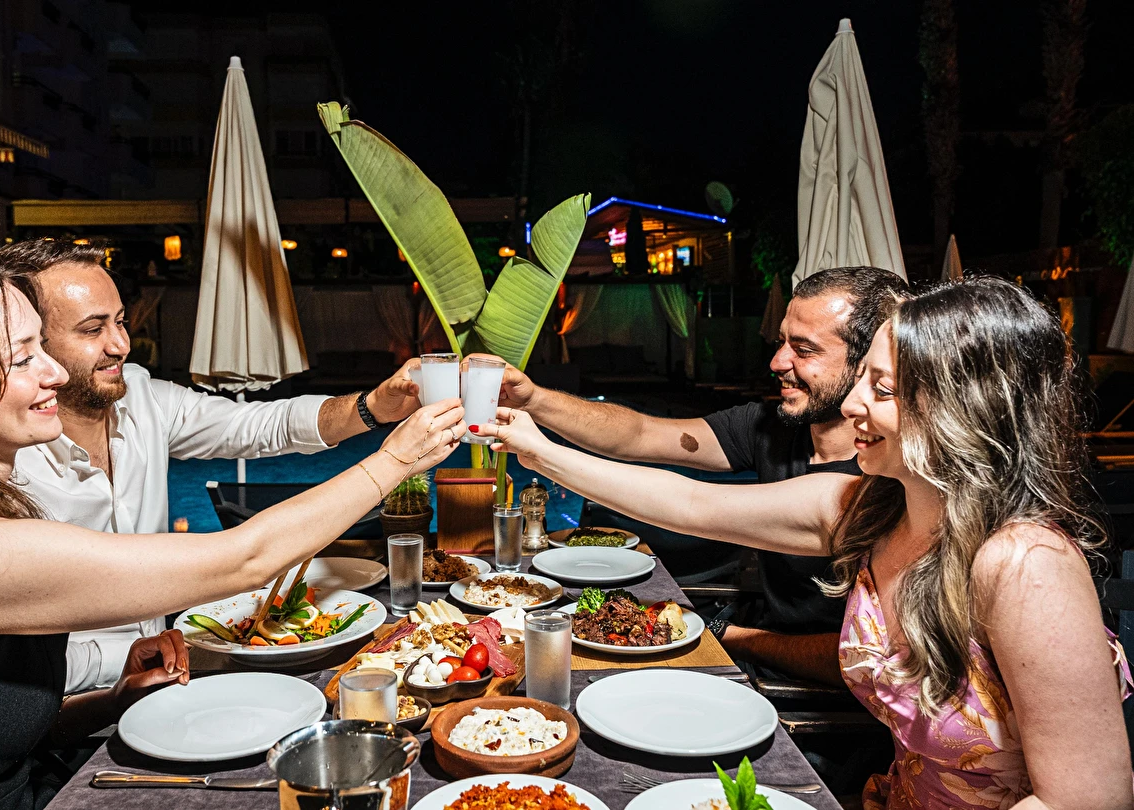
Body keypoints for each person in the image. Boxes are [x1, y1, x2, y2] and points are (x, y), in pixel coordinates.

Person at [0, 253, 464, 810]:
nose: (55, 372)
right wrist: (396, 460)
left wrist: (108, 702)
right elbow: (243, 559)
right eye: (24, 356)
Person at [478, 277, 1133, 808]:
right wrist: (536, 448)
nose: (851, 406)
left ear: (962, 406)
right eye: (861, 381)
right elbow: (690, 504)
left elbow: (1087, 798)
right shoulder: (872, 508)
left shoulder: (1026, 564)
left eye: (881, 389)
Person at [0, 238, 424, 694]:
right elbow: (4, 659)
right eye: (92, 329)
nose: (120, 345)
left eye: (120, 321)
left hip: (170, 673)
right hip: (69, 704)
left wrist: (373, 406)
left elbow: (263, 425)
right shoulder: (0, 465)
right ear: (32, 344)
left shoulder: (142, 396)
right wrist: (123, 661)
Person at [493, 266, 908, 685]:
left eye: (804, 349)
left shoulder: (889, 486)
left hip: (811, 695)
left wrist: (732, 636)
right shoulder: (772, 427)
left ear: (866, 366)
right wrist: (535, 400)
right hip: (760, 658)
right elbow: (640, 434)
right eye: (781, 342)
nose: (777, 361)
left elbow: (691, 505)